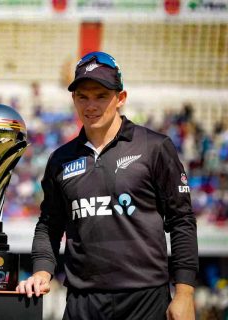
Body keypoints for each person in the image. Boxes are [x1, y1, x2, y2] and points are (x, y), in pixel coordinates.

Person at [17, 51, 198, 320]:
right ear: (73, 100)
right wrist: (42, 270)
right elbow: (49, 224)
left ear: (120, 98)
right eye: (83, 96)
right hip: (82, 303)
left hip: (145, 301)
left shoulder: (154, 147)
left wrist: (184, 293)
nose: (91, 105)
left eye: (101, 96)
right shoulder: (60, 159)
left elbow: (181, 220)